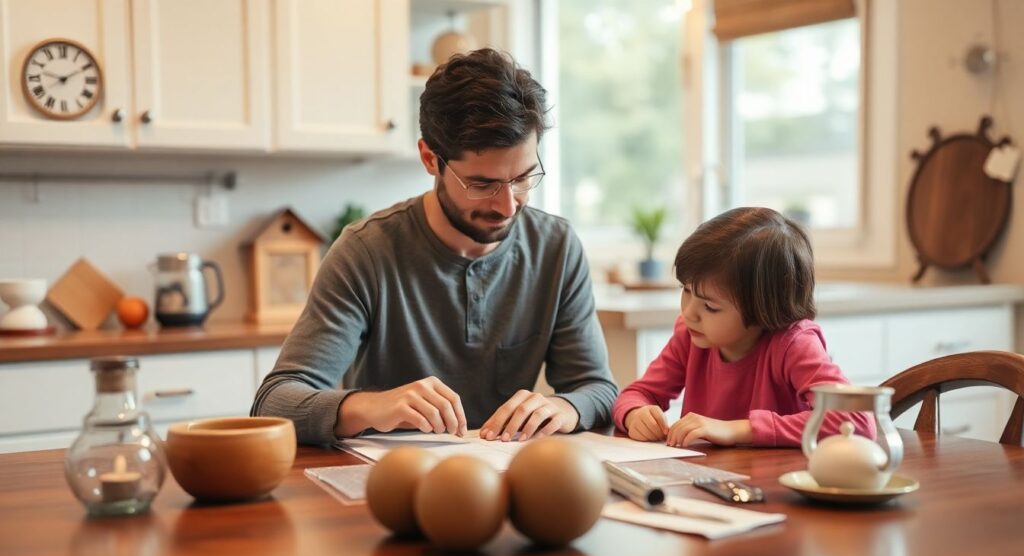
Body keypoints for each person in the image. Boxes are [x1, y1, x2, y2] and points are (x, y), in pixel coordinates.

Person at [251, 49, 617, 445]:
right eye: (481, 184)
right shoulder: (365, 252)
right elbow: (275, 402)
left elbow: (597, 388)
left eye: (524, 178)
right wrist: (373, 406)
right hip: (391, 484)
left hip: (510, 478)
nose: (508, 205)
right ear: (430, 158)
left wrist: (567, 406)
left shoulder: (556, 248)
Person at [612, 207, 875, 447]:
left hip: (775, 488)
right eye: (686, 290)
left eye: (711, 307)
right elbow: (637, 393)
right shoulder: (689, 335)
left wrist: (740, 429)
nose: (689, 312)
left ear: (763, 309)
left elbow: (857, 421)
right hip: (707, 482)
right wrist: (636, 413)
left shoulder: (794, 344)